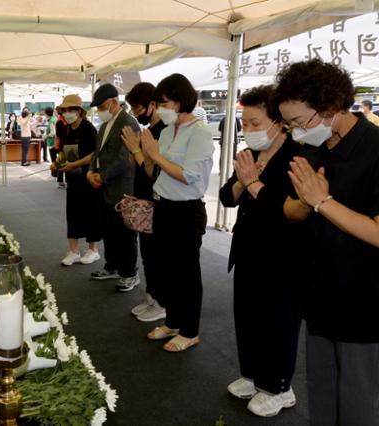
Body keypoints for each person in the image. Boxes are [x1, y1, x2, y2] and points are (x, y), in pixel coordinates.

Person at [277, 58, 379, 426]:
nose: (294, 132)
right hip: (319, 292)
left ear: (331, 108)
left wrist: (323, 201)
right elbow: (290, 210)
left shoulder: (375, 148)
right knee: (321, 394)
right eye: (287, 124)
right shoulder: (312, 147)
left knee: (360, 401)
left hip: (363, 300)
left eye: (298, 122)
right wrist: (305, 201)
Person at [218, 85, 304, 417]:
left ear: (279, 122)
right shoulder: (251, 154)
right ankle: (253, 375)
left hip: (283, 255)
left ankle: (280, 387)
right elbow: (227, 197)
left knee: (278, 322)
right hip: (248, 250)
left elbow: (288, 209)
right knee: (248, 317)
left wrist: (254, 183)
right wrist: (243, 180)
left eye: (255, 123)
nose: (248, 131)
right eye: (244, 124)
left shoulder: (297, 155)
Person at [139, 73, 214, 352]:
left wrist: (155, 155)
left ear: (181, 101)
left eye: (165, 103)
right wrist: (148, 157)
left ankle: (190, 330)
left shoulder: (201, 133)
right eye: (158, 103)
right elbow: (155, 173)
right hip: (164, 205)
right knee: (167, 269)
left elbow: (189, 176)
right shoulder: (168, 131)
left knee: (186, 273)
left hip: (187, 210)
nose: (160, 108)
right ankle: (173, 321)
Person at [87, 83, 140, 292]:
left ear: (114, 102)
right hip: (105, 187)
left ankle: (129, 273)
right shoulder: (103, 126)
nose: (99, 111)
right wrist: (91, 171)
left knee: (126, 233)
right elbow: (97, 153)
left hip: (123, 187)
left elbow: (125, 160)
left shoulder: (129, 123)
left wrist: (102, 176)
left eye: (101, 106)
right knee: (109, 230)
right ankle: (112, 266)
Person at [121, 82, 166, 322]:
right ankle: (152, 296)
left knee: (156, 253)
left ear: (152, 104)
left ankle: (161, 301)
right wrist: (134, 149)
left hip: (157, 200)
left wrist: (138, 150)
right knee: (147, 252)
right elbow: (136, 164)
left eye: (138, 108)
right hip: (143, 197)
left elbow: (153, 170)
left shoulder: (164, 131)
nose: (136, 113)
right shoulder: (147, 130)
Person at [51, 95, 103, 266]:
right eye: (64, 110)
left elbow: (95, 154)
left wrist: (74, 164)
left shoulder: (88, 129)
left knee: (90, 212)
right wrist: (57, 164)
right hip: (72, 179)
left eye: (71, 110)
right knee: (72, 212)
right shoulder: (66, 129)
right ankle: (73, 251)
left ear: (80, 111)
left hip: (88, 177)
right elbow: (63, 152)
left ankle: (93, 250)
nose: (67, 113)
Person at [54, 113, 67, 188]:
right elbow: (60, 134)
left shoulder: (63, 120)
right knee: (61, 163)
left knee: (61, 163)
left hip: (63, 145)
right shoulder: (60, 121)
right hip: (61, 145)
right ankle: (60, 181)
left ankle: (61, 181)